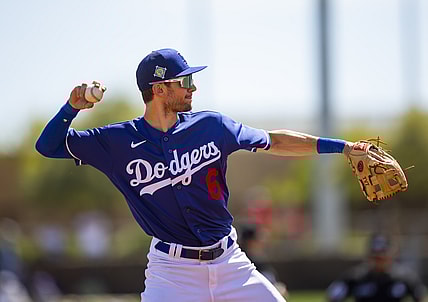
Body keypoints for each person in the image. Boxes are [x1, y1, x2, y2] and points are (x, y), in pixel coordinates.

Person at [36, 48, 354, 302]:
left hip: (230, 262)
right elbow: (48, 146)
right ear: (159, 88)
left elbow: (275, 140)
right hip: (172, 273)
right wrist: (71, 108)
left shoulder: (212, 126)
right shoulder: (116, 142)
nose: (193, 87)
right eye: (184, 82)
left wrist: (344, 147)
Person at [326, 234, 427, 302]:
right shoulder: (355, 277)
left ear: (391, 255)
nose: (379, 261)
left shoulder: (405, 277)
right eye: (375, 257)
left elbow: (421, 297)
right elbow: (333, 297)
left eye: (382, 257)